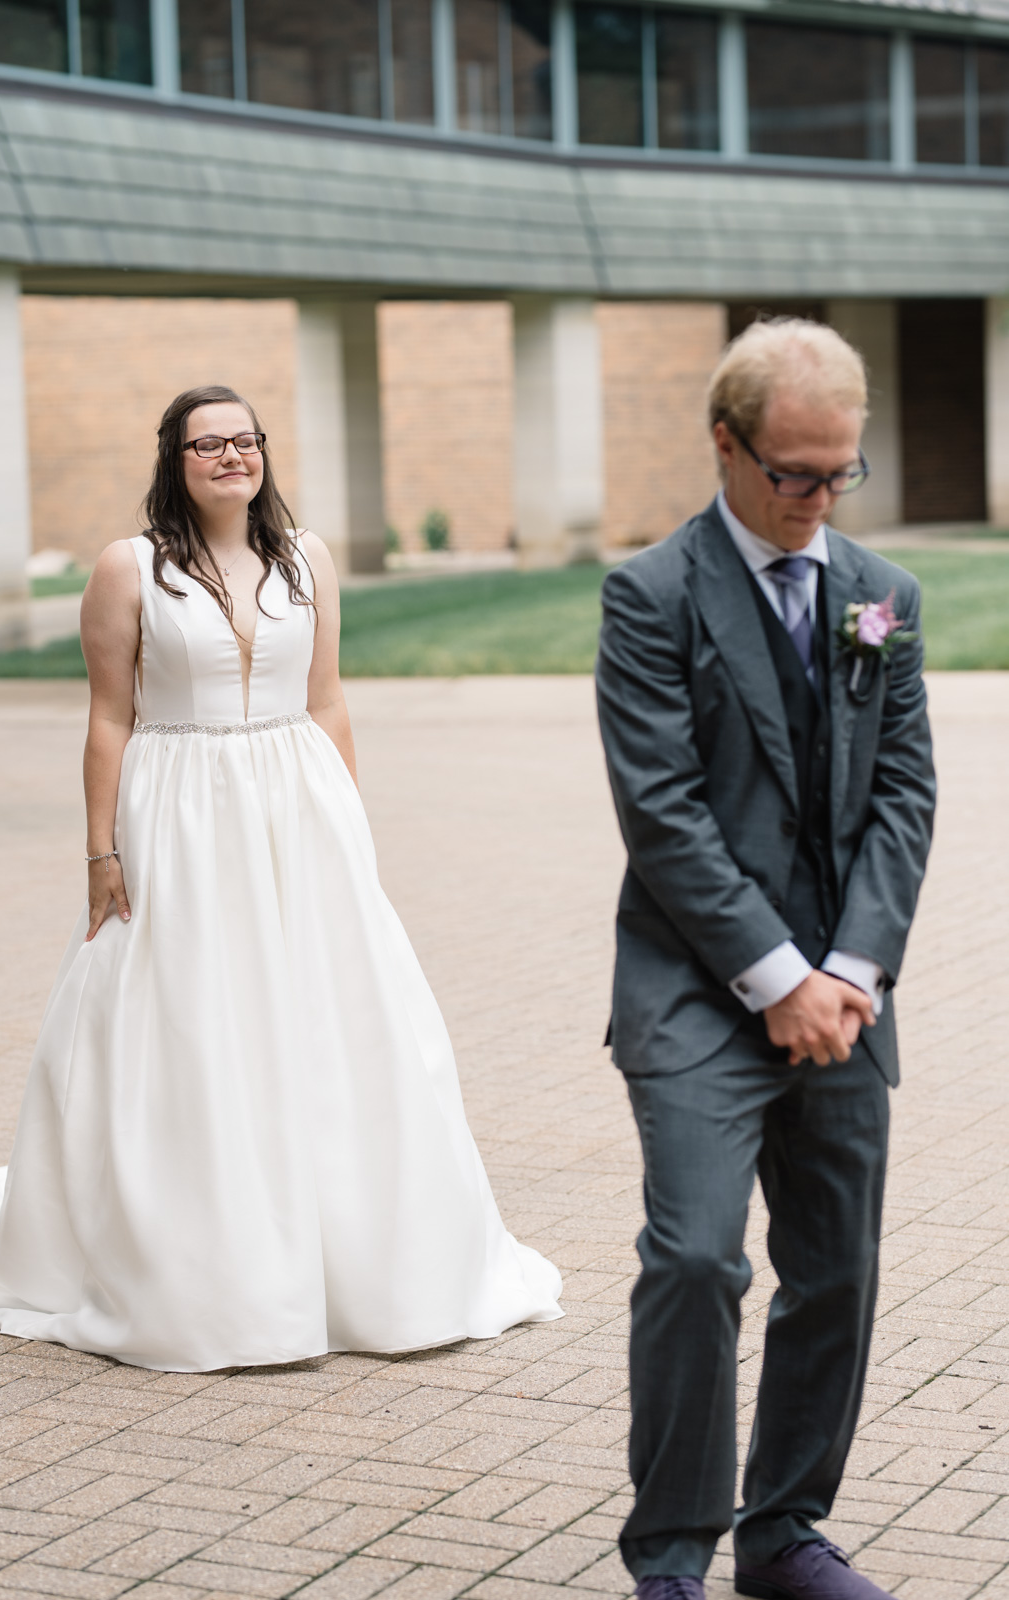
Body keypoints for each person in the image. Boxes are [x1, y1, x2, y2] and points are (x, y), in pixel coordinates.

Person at [0, 384, 562, 1372]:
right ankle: (197, 1265)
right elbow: (109, 718)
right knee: (189, 1017)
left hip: (295, 804)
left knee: (331, 1013)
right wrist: (101, 851)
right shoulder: (128, 567)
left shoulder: (307, 558)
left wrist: (350, 829)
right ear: (174, 460)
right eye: (207, 443)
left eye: (245, 440)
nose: (232, 456)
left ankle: (357, 1261)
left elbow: (328, 700)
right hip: (176, 806)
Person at [595, 320, 936, 1600]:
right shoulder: (652, 595)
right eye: (792, 474)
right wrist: (775, 976)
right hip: (696, 986)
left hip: (844, 997)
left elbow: (906, 793)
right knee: (694, 1257)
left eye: (838, 475)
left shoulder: (884, 594)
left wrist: (851, 967)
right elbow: (663, 812)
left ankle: (784, 1532)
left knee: (837, 1268)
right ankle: (672, 1555)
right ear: (725, 444)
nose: (815, 503)